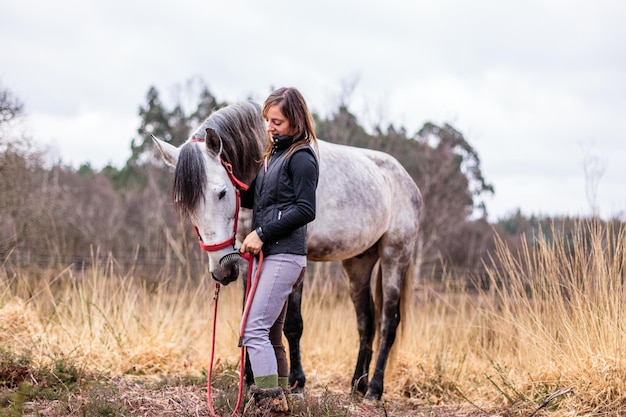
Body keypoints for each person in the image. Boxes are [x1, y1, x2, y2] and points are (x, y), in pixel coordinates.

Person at [239, 87, 319, 414]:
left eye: (278, 122)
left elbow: (305, 209)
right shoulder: (271, 157)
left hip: (286, 254)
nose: (270, 127)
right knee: (271, 333)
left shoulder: (301, 158)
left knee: (253, 329)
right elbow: (256, 200)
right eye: (268, 120)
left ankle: (269, 404)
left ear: (295, 122)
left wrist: (260, 232)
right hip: (273, 254)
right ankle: (281, 400)